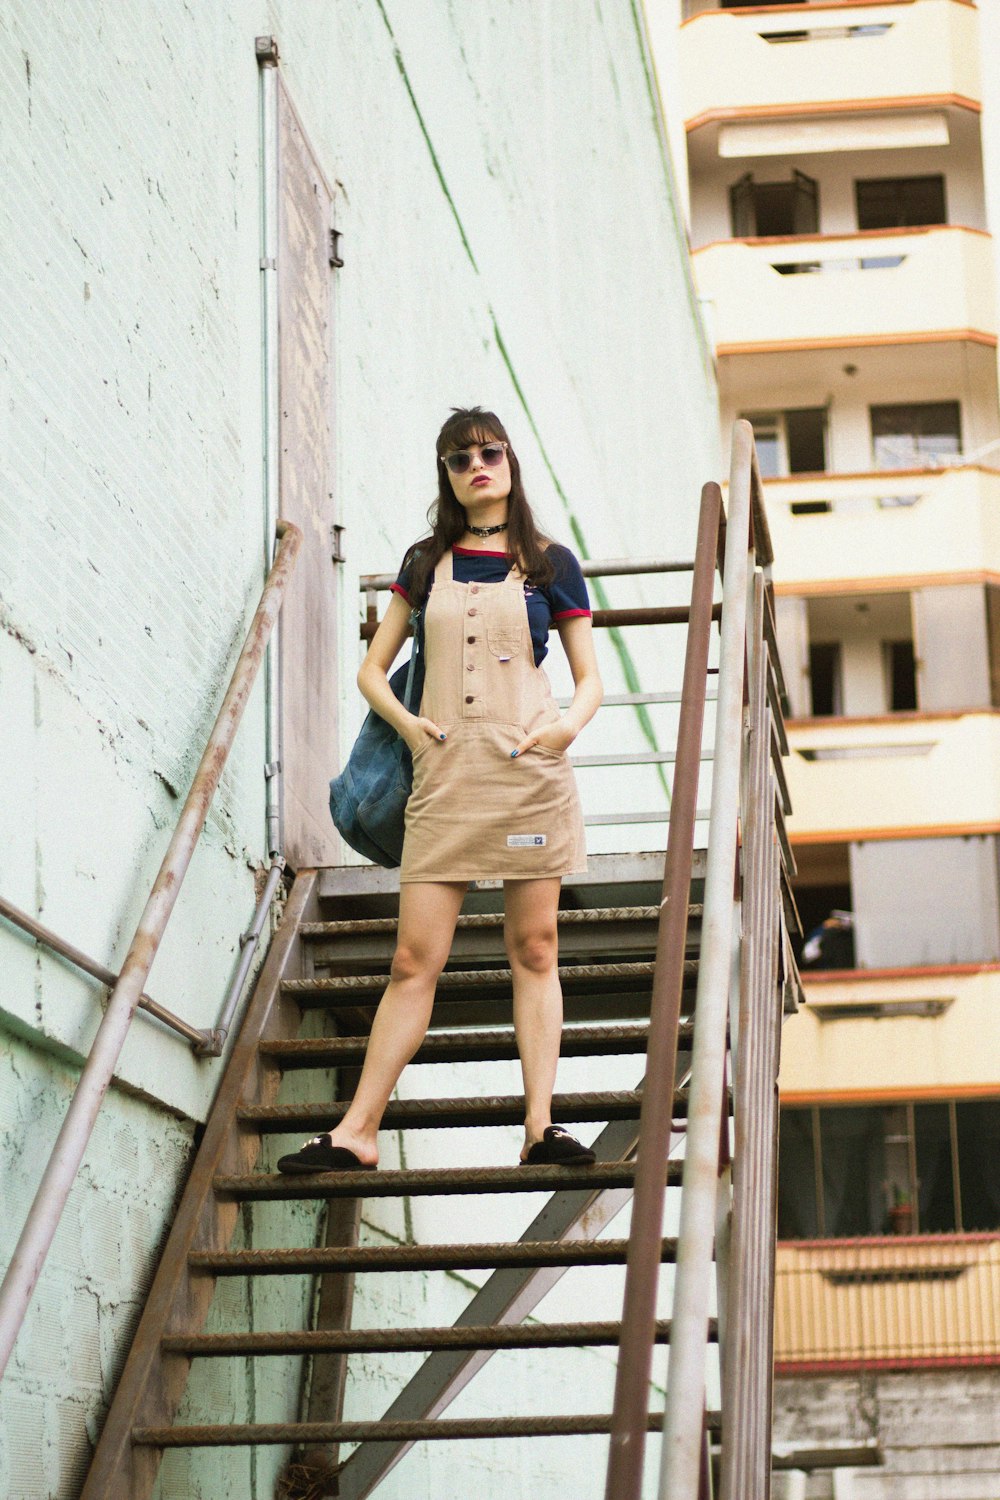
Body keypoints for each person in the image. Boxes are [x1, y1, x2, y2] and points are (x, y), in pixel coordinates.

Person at [278, 407, 603, 1174]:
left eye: (490, 452)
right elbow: (369, 670)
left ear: (511, 462)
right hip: (444, 778)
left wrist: (563, 731)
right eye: (461, 459)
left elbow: (590, 681)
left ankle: (540, 1126)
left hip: (528, 777)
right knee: (412, 960)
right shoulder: (425, 562)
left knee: (535, 947)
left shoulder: (551, 563)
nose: (477, 466)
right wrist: (410, 726)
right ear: (447, 475)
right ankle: (357, 1131)